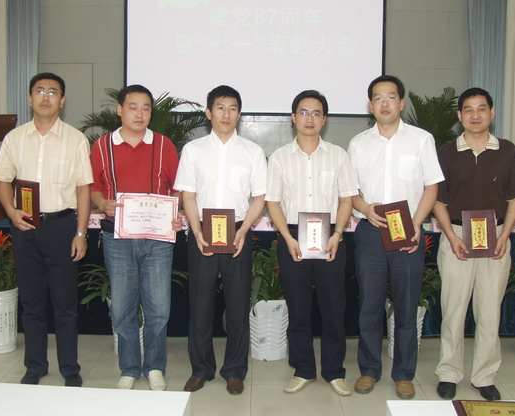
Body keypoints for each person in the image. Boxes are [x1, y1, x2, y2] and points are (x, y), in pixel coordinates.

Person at [0, 72, 92, 387]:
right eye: (40, 91)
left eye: (53, 91)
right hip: (25, 227)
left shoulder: (75, 139)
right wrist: (11, 212)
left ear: (62, 100)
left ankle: (70, 368)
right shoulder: (14, 138)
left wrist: (80, 233)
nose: (46, 96)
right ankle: (34, 366)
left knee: (65, 305)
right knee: (32, 303)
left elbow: (83, 190)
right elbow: (2, 180)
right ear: (30, 98)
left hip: (62, 227)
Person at [347, 75, 444, 399]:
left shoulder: (421, 140)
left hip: (409, 233)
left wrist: (416, 223)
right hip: (370, 233)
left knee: (406, 306)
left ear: (401, 103)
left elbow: (431, 187)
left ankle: (404, 373)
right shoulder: (358, 143)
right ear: (370, 105)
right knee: (369, 307)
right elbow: (349, 191)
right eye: (378, 98)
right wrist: (365, 207)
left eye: (390, 97)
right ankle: (369, 370)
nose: (384, 103)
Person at [434, 88, 515, 401]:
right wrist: (451, 236)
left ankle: (484, 376)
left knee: (489, 312)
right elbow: (438, 201)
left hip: (496, 238)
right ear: (459, 115)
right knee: (453, 310)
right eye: (469, 109)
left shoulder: (507, 151)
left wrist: (504, 236)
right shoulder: (446, 152)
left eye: (481, 108)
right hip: (457, 237)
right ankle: (449, 373)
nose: (475, 115)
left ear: (492, 112)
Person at [174, 85, 267, 395]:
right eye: (220, 108)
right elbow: (188, 194)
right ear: (208, 112)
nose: (226, 114)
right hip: (202, 232)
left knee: (238, 304)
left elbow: (260, 197)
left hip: (238, 232)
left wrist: (244, 230)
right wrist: (196, 229)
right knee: (200, 303)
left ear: (239, 114)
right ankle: (201, 369)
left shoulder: (252, 151)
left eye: (233, 108)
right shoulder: (193, 150)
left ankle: (235, 370)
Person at [265, 90, 359, 396]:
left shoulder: (338, 155)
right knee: (298, 308)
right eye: (304, 112)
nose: (309, 119)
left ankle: (334, 371)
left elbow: (346, 199)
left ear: (324, 119)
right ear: (293, 117)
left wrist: (338, 234)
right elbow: (273, 202)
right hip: (292, 236)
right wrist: (287, 238)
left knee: (334, 308)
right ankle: (303, 369)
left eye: (316, 113)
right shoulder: (279, 157)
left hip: (330, 236)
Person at [89, 84, 180, 390]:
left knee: (159, 308)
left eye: (146, 108)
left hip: (158, 240)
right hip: (117, 238)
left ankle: (155, 366)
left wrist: (176, 212)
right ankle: (129, 367)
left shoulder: (164, 145)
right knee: (122, 308)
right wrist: (102, 203)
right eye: (133, 107)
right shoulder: (102, 146)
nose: (139, 114)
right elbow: (93, 187)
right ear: (120, 110)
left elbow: (178, 187)